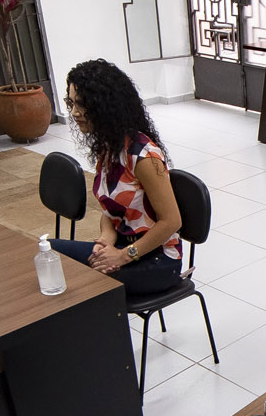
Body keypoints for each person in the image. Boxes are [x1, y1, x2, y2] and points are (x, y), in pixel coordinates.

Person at [52, 58, 185, 295]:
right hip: (125, 247)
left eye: (82, 104)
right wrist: (106, 241)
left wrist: (123, 255)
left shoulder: (143, 156)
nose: (74, 113)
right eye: (71, 103)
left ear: (105, 105)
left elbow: (172, 222)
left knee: (79, 284)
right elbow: (110, 212)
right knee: (47, 252)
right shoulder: (110, 147)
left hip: (158, 260)